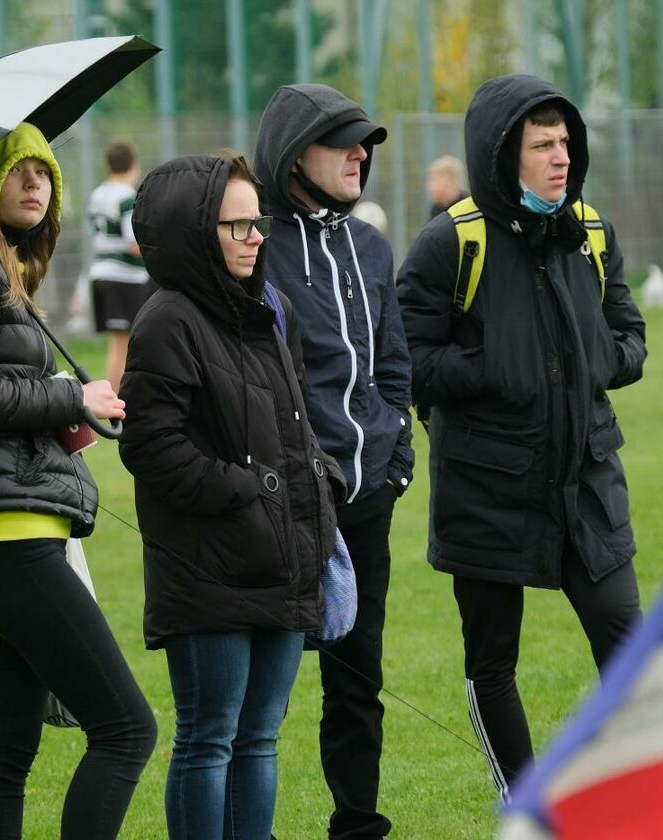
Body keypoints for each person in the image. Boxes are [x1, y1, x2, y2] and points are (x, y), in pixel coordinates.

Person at [397, 75, 645, 801]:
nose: (560, 158)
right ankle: (526, 803)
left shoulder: (590, 232)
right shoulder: (451, 243)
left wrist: (598, 358)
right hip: (487, 487)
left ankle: (639, 797)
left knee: (627, 642)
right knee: (492, 662)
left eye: (565, 142)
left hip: (586, 480)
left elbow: (631, 338)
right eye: (542, 145)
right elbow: (406, 360)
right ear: (504, 155)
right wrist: (486, 368)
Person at [0, 123, 156, 839]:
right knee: (126, 729)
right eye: (15, 171)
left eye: (43, 170)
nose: (34, 183)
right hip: (4, 537)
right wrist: (66, 397)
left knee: (5, 755)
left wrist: (62, 399)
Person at [118, 152, 343, 839]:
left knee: (260, 739)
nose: (254, 237)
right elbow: (150, 447)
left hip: (280, 556)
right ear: (193, 232)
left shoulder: (266, 312)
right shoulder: (167, 321)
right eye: (235, 225)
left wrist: (314, 483)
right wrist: (245, 492)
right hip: (210, 567)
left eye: (258, 223)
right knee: (209, 738)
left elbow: (292, 423)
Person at [253, 84, 414, 840]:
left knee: (358, 682)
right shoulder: (251, 245)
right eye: (344, 140)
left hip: (368, 498)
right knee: (262, 689)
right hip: (284, 502)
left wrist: (396, 459)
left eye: (367, 141)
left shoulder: (372, 247)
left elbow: (394, 366)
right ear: (292, 158)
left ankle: (357, 825)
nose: (361, 153)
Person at [68, 140, 153, 388]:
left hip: (99, 274)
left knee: (117, 345)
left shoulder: (96, 194)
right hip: (124, 277)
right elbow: (132, 242)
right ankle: (116, 402)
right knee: (123, 346)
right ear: (134, 165)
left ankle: (115, 399)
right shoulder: (127, 196)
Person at [426, 154, 468, 219]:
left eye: (434, 179)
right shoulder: (436, 209)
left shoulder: (467, 208)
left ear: (449, 182)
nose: (428, 185)